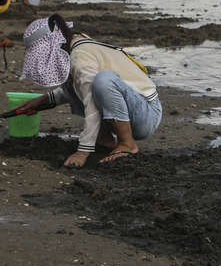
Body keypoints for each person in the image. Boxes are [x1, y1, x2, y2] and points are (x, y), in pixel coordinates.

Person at [14, 14, 163, 168]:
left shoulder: (80, 59)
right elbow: (81, 86)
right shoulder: (74, 44)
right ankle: (105, 139)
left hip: (146, 114)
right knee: (73, 79)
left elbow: (92, 103)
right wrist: (45, 101)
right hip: (129, 108)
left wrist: (82, 152)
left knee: (104, 80)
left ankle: (127, 144)